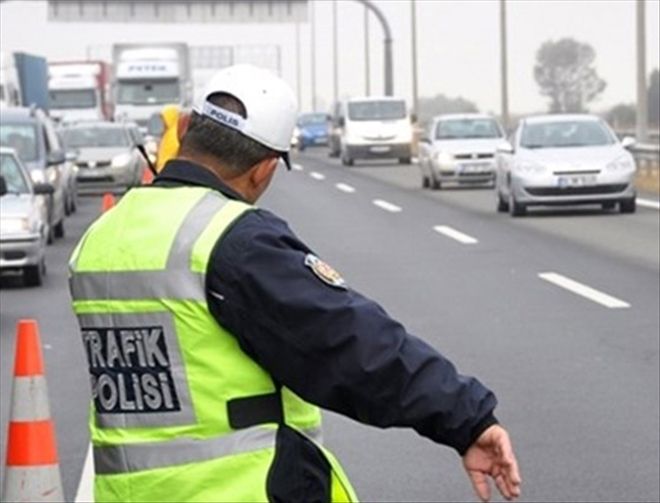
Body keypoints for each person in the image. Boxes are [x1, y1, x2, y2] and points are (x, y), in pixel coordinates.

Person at [68, 64, 521, 503]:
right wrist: (466, 417)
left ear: (185, 128)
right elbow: (347, 342)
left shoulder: (101, 236)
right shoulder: (229, 239)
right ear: (264, 168)